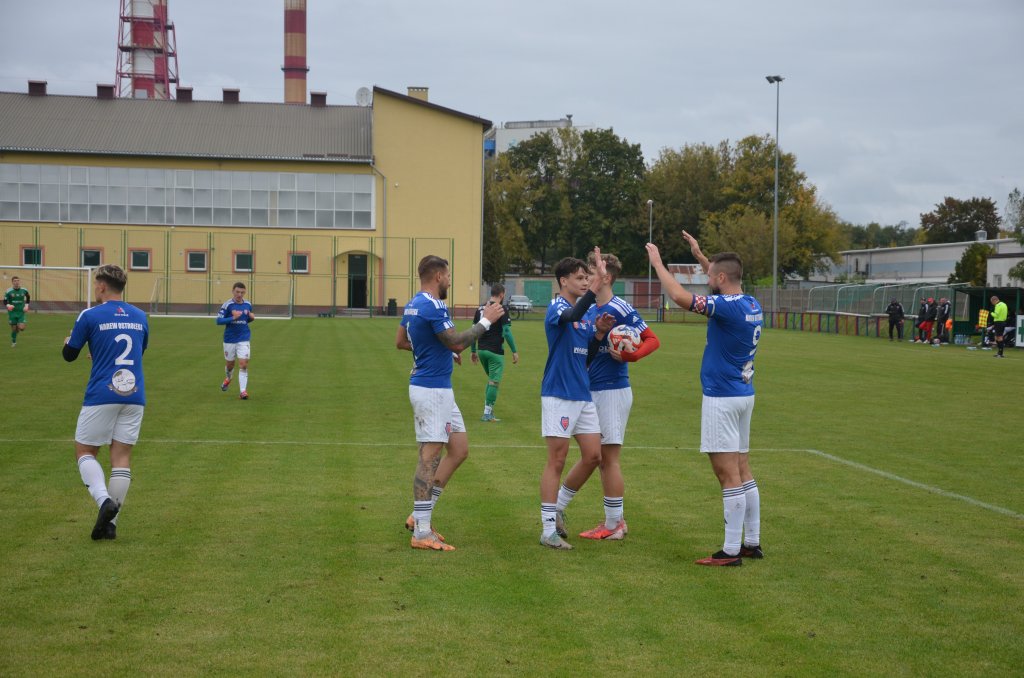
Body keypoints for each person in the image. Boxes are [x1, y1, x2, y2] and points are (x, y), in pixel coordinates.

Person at [646, 232, 764, 567]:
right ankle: (751, 542)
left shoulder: (724, 308)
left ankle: (729, 551)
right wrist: (700, 255)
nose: (706, 278)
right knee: (743, 469)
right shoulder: (751, 303)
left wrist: (658, 263)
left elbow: (681, 296)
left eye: (710, 275)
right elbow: (720, 277)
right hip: (744, 395)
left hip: (722, 398)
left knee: (727, 474)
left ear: (722, 278)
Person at [396, 255, 504, 551]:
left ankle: (420, 516)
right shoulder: (432, 305)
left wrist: (441, 353)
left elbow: (402, 341)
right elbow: (456, 340)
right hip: (432, 391)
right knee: (429, 455)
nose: (450, 280)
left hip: (438, 387)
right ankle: (421, 531)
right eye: (449, 275)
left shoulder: (413, 303)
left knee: (458, 449)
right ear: (438, 277)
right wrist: (486, 321)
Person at [578, 251, 660, 541]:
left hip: (612, 391)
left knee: (608, 459)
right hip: (593, 389)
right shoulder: (587, 308)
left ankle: (614, 524)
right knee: (600, 458)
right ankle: (615, 520)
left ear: (606, 278)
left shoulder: (620, 307)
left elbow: (653, 339)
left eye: (591, 274)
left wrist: (631, 355)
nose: (587, 279)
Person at [62, 265, 148, 540]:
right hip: (134, 394)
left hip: (102, 393)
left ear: (100, 286)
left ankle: (103, 501)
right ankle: (110, 525)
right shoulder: (140, 315)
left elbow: (69, 355)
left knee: (85, 450)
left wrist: (69, 342)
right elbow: (137, 351)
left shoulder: (90, 315)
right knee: (121, 457)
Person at [539, 249, 615, 550]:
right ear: (563, 281)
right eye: (580, 278)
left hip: (582, 394)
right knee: (556, 461)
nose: (585, 283)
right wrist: (597, 286)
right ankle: (547, 530)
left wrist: (598, 335)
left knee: (594, 456)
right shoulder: (557, 308)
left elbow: (587, 357)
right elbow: (572, 315)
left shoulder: (587, 318)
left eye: (588, 278)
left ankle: (557, 507)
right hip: (559, 393)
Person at [470, 283, 519, 422]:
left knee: (491, 380)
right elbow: (507, 331)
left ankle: (488, 410)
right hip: (495, 351)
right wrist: (514, 351)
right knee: (494, 382)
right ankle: (487, 414)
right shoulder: (501, 308)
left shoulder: (480, 308)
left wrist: (473, 351)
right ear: (502, 294)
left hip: (481, 350)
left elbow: (473, 331)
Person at [217, 282, 255, 400]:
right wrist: (233, 317)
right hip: (229, 339)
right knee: (230, 365)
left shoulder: (248, 304)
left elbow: (245, 321)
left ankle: (243, 391)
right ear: (233, 291)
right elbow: (218, 321)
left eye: (242, 292)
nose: (240, 294)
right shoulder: (227, 305)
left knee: (243, 364)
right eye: (237, 292)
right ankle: (228, 378)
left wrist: (251, 318)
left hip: (243, 338)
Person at [5, 275, 30, 347]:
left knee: (22, 328)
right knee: (13, 329)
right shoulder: (9, 291)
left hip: (21, 312)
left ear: (19, 281)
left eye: (18, 281)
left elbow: (28, 297)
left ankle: (17, 328)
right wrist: (8, 305)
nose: (16, 282)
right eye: (15, 281)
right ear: (12, 282)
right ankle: (13, 342)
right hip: (12, 312)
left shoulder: (24, 290)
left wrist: (26, 306)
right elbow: (5, 301)